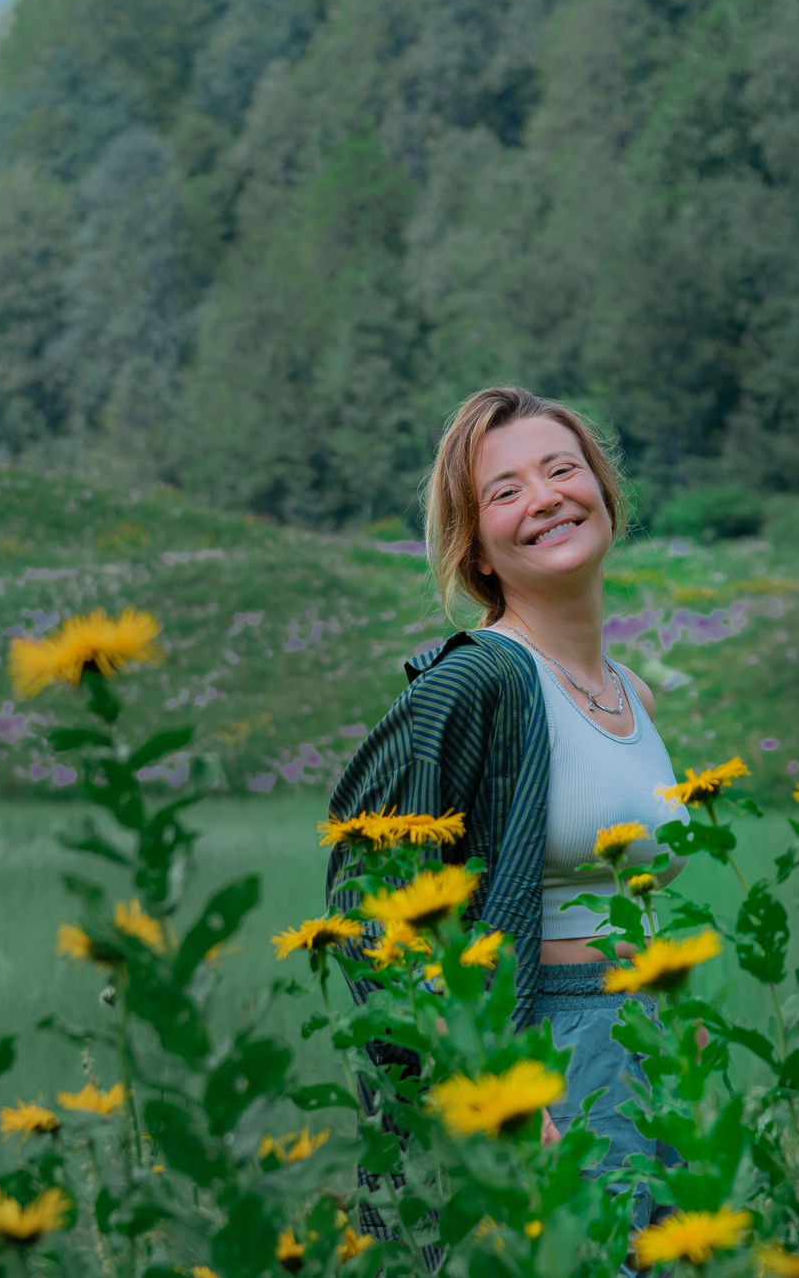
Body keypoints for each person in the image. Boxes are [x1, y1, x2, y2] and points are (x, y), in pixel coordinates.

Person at [327, 385, 685, 1214]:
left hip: (646, 1038)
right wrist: (492, 1081)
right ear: (478, 549)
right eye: (506, 490)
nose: (546, 497)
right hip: (544, 1051)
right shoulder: (478, 677)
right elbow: (365, 889)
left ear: (604, 494)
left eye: (563, 470)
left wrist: (669, 1022)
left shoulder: (632, 692)